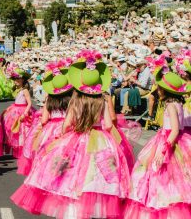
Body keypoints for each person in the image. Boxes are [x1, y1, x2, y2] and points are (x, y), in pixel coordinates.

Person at [11, 50, 131, 218]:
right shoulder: (102, 100)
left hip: (79, 137)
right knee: (97, 176)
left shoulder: (76, 100)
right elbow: (109, 125)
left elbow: (67, 124)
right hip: (100, 139)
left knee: (72, 175)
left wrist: (63, 137)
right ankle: (94, 209)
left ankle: (75, 210)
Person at [124, 69, 191, 218]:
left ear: (165, 90)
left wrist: (163, 151)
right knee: (178, 177)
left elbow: (174, 130)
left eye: (159, 88)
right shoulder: (178, 104)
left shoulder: (171, 106)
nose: (157, 90)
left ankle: (165, 208)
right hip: (176, 140)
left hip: (168, 141)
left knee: (163, 176)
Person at [17, 59, 73, 176]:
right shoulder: (71, 101)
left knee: (45, 152)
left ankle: (47, 175)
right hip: (66, 128)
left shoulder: (49, 100)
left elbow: (44, 120)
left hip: (51, 128)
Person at [2, 64, 36, 158]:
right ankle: (16, 149)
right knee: (14, 130)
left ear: (23, 80)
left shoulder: (25, 90)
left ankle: (23, 149)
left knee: (23, 131)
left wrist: (25, 113)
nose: (16, 81)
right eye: (15, 80)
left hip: (23, 111)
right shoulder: (18, 89)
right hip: (15, 109)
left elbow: (29, 103)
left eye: (17, 79)